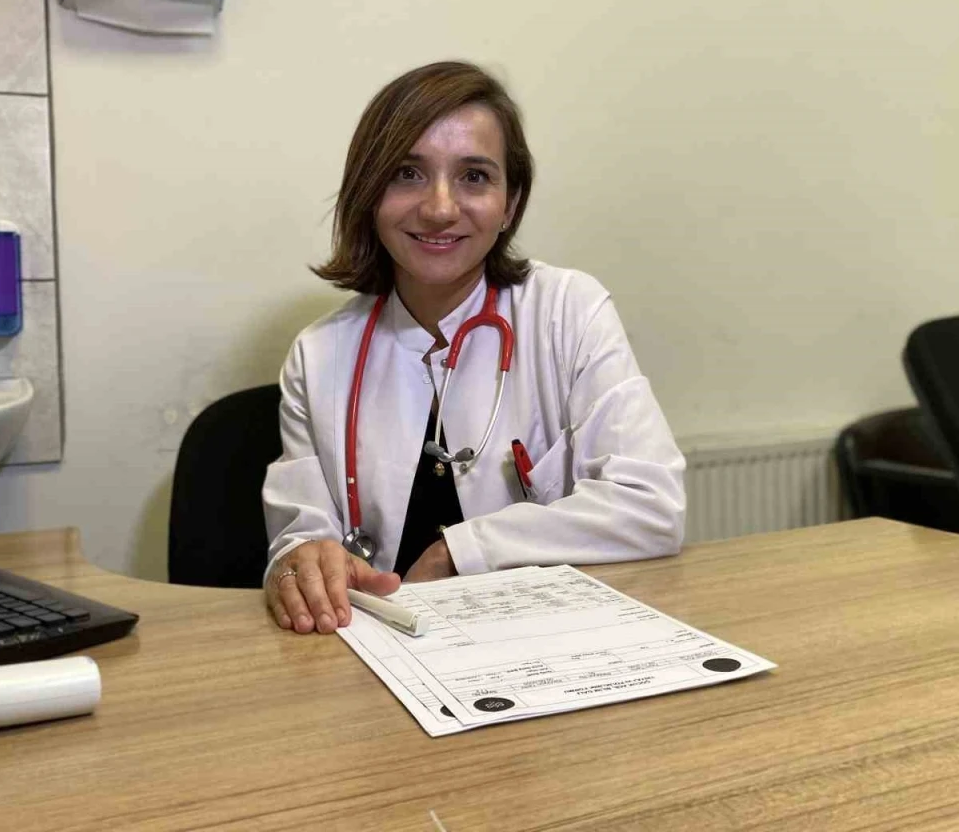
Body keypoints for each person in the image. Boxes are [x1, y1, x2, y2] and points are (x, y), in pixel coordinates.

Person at [263, 61, 686, 634]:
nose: (440, 208)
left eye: (474, 176)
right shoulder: (319, 356)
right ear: (370, 193)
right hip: (383, 646)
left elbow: (651, 506)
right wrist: (301, 565)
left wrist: (460, 550)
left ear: (510, 203)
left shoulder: (568, 311)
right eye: (407, 173)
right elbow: (303, 540)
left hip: (548, 639)